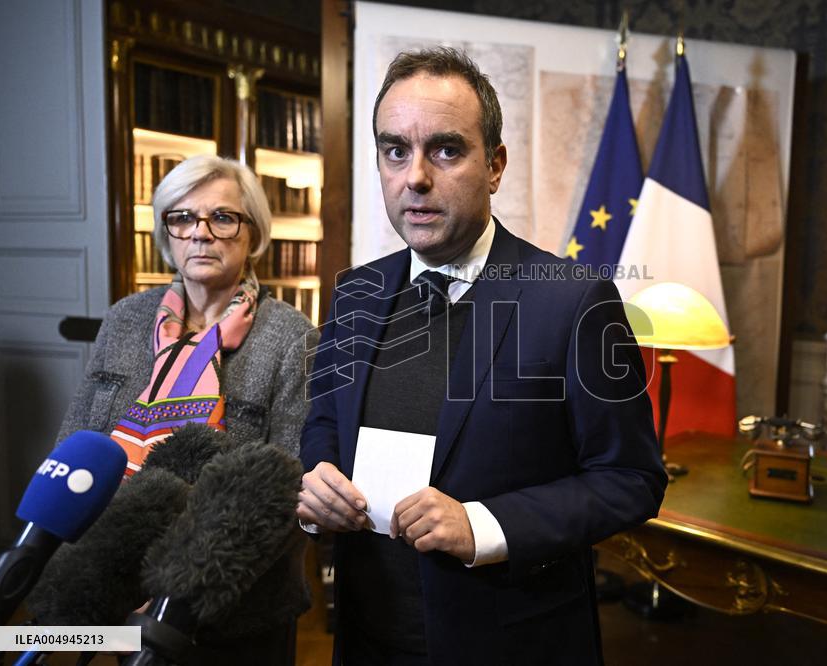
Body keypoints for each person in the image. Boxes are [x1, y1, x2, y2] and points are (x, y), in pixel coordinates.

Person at [297, 47, 667, 665]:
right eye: (395, 151)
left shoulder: (575, 300)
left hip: (512, 645)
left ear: (494, 166)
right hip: (367, 641)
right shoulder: (355, 292)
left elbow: (632, 480)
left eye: (445, 150)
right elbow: (323, 427)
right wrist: (317, 482)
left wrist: (486, 526)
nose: (415, 177)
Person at [58, 154, 315, 664]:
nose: (200, 233)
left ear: (253, 233)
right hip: (124, 584)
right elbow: (74, 444)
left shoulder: (292, 338)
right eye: (182, 217)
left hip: (236, 611)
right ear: (167, 231)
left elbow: (292, 492)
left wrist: (180, 592)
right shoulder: (125, 320)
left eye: (222, 217)